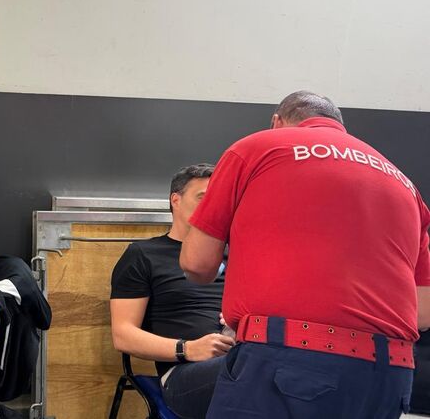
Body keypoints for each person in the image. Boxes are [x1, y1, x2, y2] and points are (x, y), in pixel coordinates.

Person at [181, 91, 430, 418]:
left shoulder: (256, 147)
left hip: (288, 362)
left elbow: (197, 264)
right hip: (390, 374)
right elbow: (423, 313)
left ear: (276, 122)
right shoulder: (406, 185)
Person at [110, 163, 232, 419]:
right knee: (254, 368)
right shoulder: (144, 255)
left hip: (241, 355)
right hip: (184, 375)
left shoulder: (237, 255)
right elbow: (123, 335)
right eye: (203, 197)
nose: (213, 206)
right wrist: (187, 349)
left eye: (218, 199)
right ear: (176, 200)